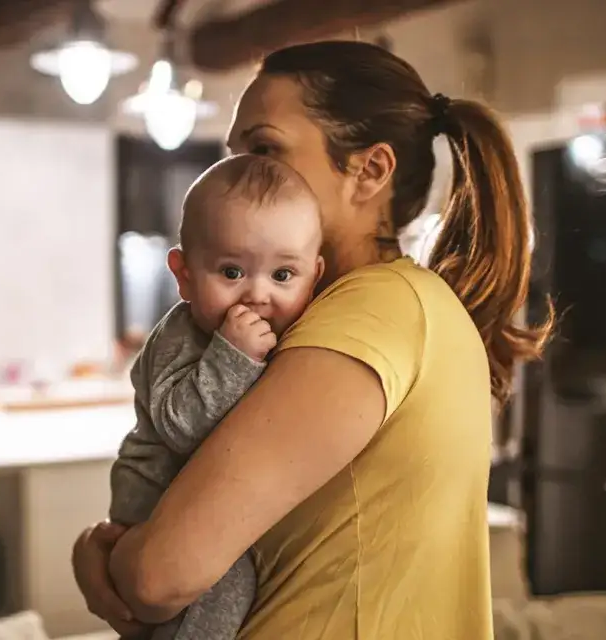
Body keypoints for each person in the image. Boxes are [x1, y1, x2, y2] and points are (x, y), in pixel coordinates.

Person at [74, 39, 553, 639]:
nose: (241, 175)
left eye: (265, 148)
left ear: (370, 171)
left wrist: (101, 556)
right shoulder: (375, 308)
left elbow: (159, 577)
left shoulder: (372, 312)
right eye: (233, 156)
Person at [109, 154, 324, 640]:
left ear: (315, 274)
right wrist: (232, 357)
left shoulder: (298, 336)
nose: (257, 294)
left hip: (199, 503)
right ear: (184, 275)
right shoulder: (179, 338)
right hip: (155, 503)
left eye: (283, 276)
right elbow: (179, 427)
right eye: (231, 272)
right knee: (225, 577)